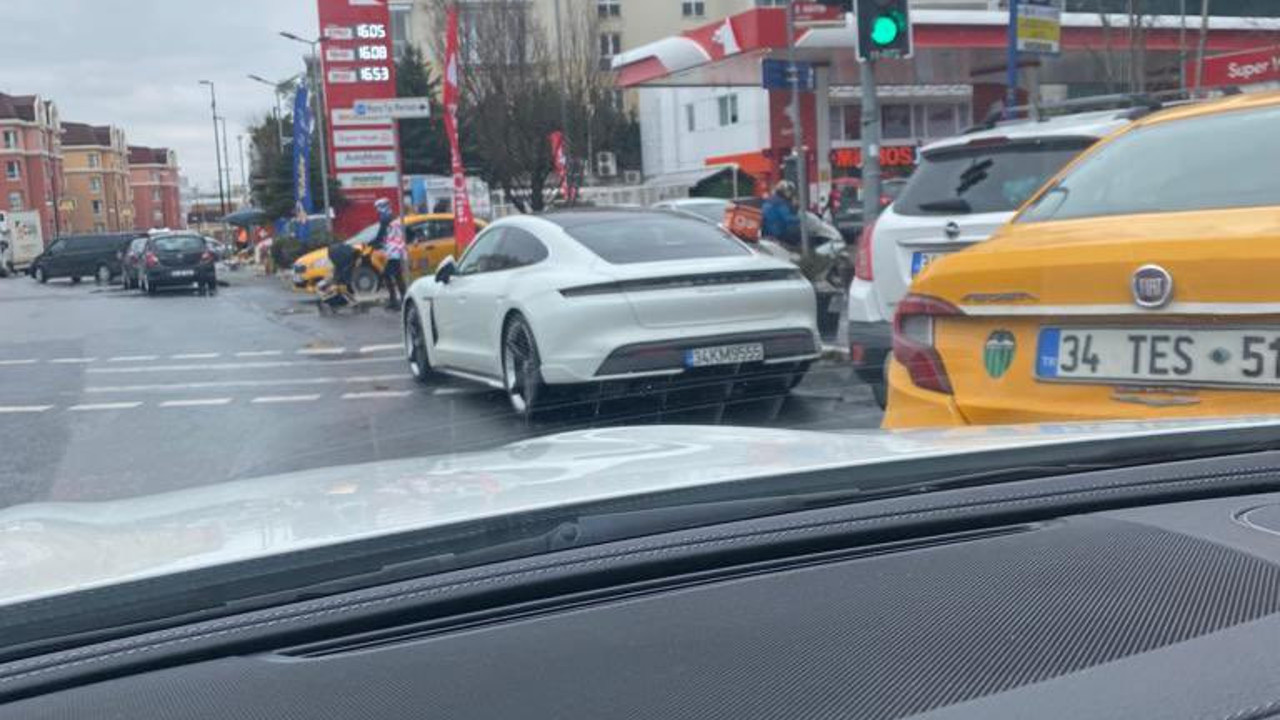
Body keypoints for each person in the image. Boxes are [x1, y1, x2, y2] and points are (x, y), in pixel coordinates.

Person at [368, 197, 407, 310]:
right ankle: (401, 299)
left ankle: (395, 301)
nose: (377, 210)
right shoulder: (393, 217)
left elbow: (381, 234)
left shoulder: (385, 218)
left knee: (387, 275)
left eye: (378, 208)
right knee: (397, 276)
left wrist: (372, 243)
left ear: (382, 207)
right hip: (396, 250)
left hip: (393, 251)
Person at [761, 181, 801, 247]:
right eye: (789, 191)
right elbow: (787, 218)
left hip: (767, 231)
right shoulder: (780, 203)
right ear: (783, 191)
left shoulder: (770, 200)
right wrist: (800, 219)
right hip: (778, 232)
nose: (790, 194)